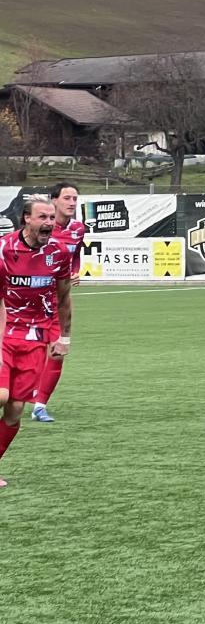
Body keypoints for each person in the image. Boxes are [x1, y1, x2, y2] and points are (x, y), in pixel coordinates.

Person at [0, 195, 72, 486]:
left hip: (37, 338)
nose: (49, 223)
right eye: (42, 217)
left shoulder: (60, 252)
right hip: (5, 333)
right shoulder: (4, 251)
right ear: (26, 219)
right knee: (2, 396)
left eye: (52, 218)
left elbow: (64, 296)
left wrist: (64, 335)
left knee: (15, 410)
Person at [30, 182, 85, 423]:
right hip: (27, 300)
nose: (72, 203)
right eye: (67, 198)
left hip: (57, 302)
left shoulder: (78, 229)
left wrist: (75, 271)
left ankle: (39, 406)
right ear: (54, 200)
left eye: (75, 198)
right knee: (25, 354)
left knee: (59, 350)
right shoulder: (39, 228)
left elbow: (75, 255)